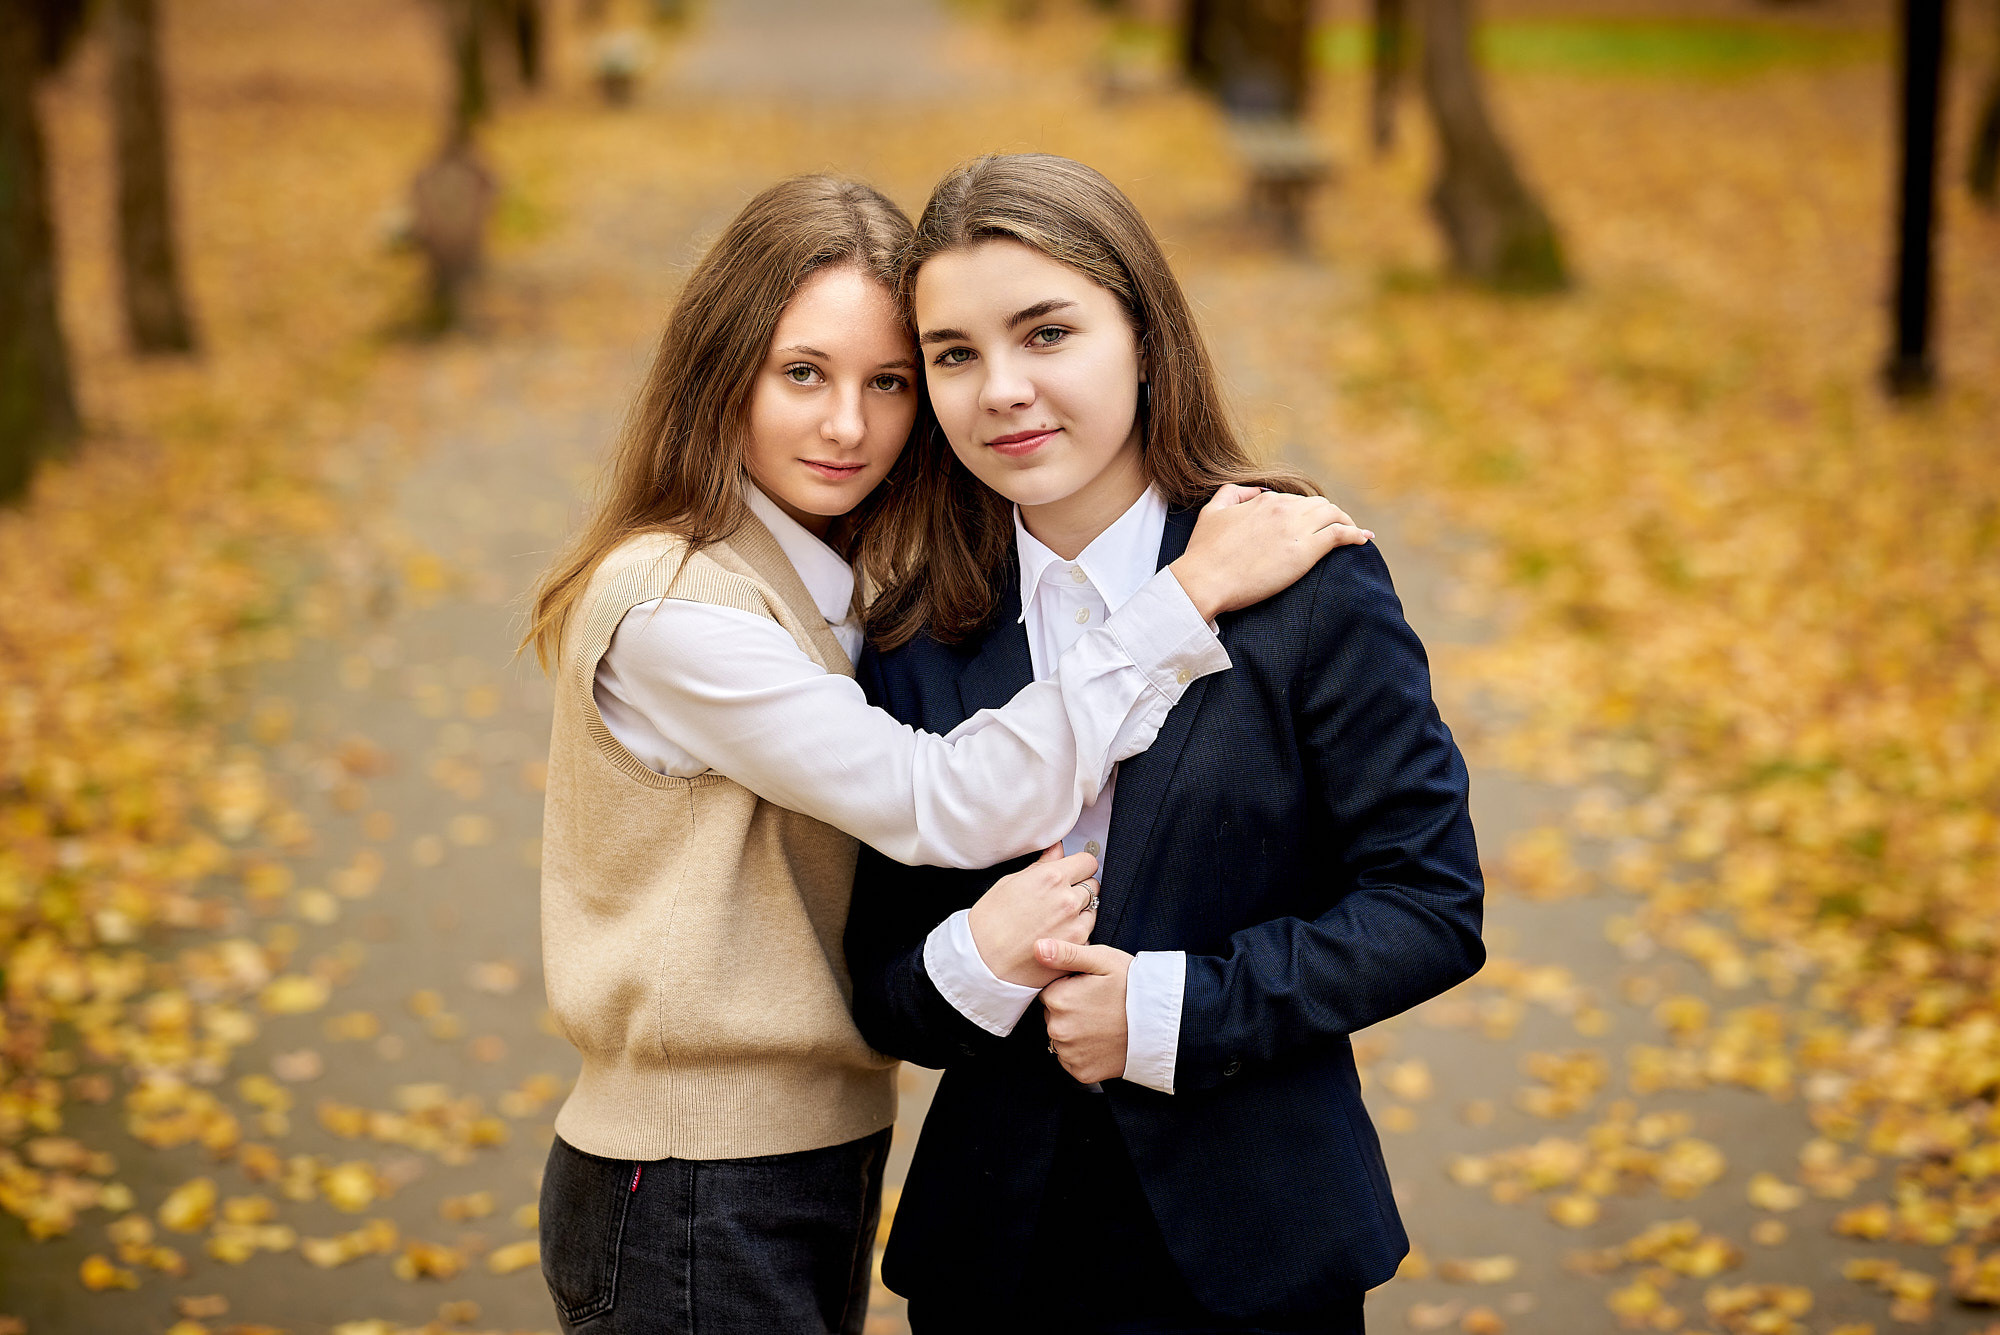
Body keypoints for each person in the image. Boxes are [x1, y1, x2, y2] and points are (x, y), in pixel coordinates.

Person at [520, 174, 1372, 1335]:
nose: (848, 426)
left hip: (826, 1159)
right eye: (801, 373)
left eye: (887, 382)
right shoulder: (677, 606)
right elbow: (938, 805)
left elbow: (1420, 896)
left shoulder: (849, 598)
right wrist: (1183, 601)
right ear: (720, 373)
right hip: (691, 1174)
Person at [845, 153, 1485, 1334]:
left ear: (1142, 335)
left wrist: (1177, 1011)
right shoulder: (914, 635)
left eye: (1046, 334)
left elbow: (1427, 905)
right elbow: (884, 990)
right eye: (953, 355)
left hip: (1256, 1246)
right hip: (993, 1261)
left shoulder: (1306, 586)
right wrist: (978, 957)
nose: (1001, 391)